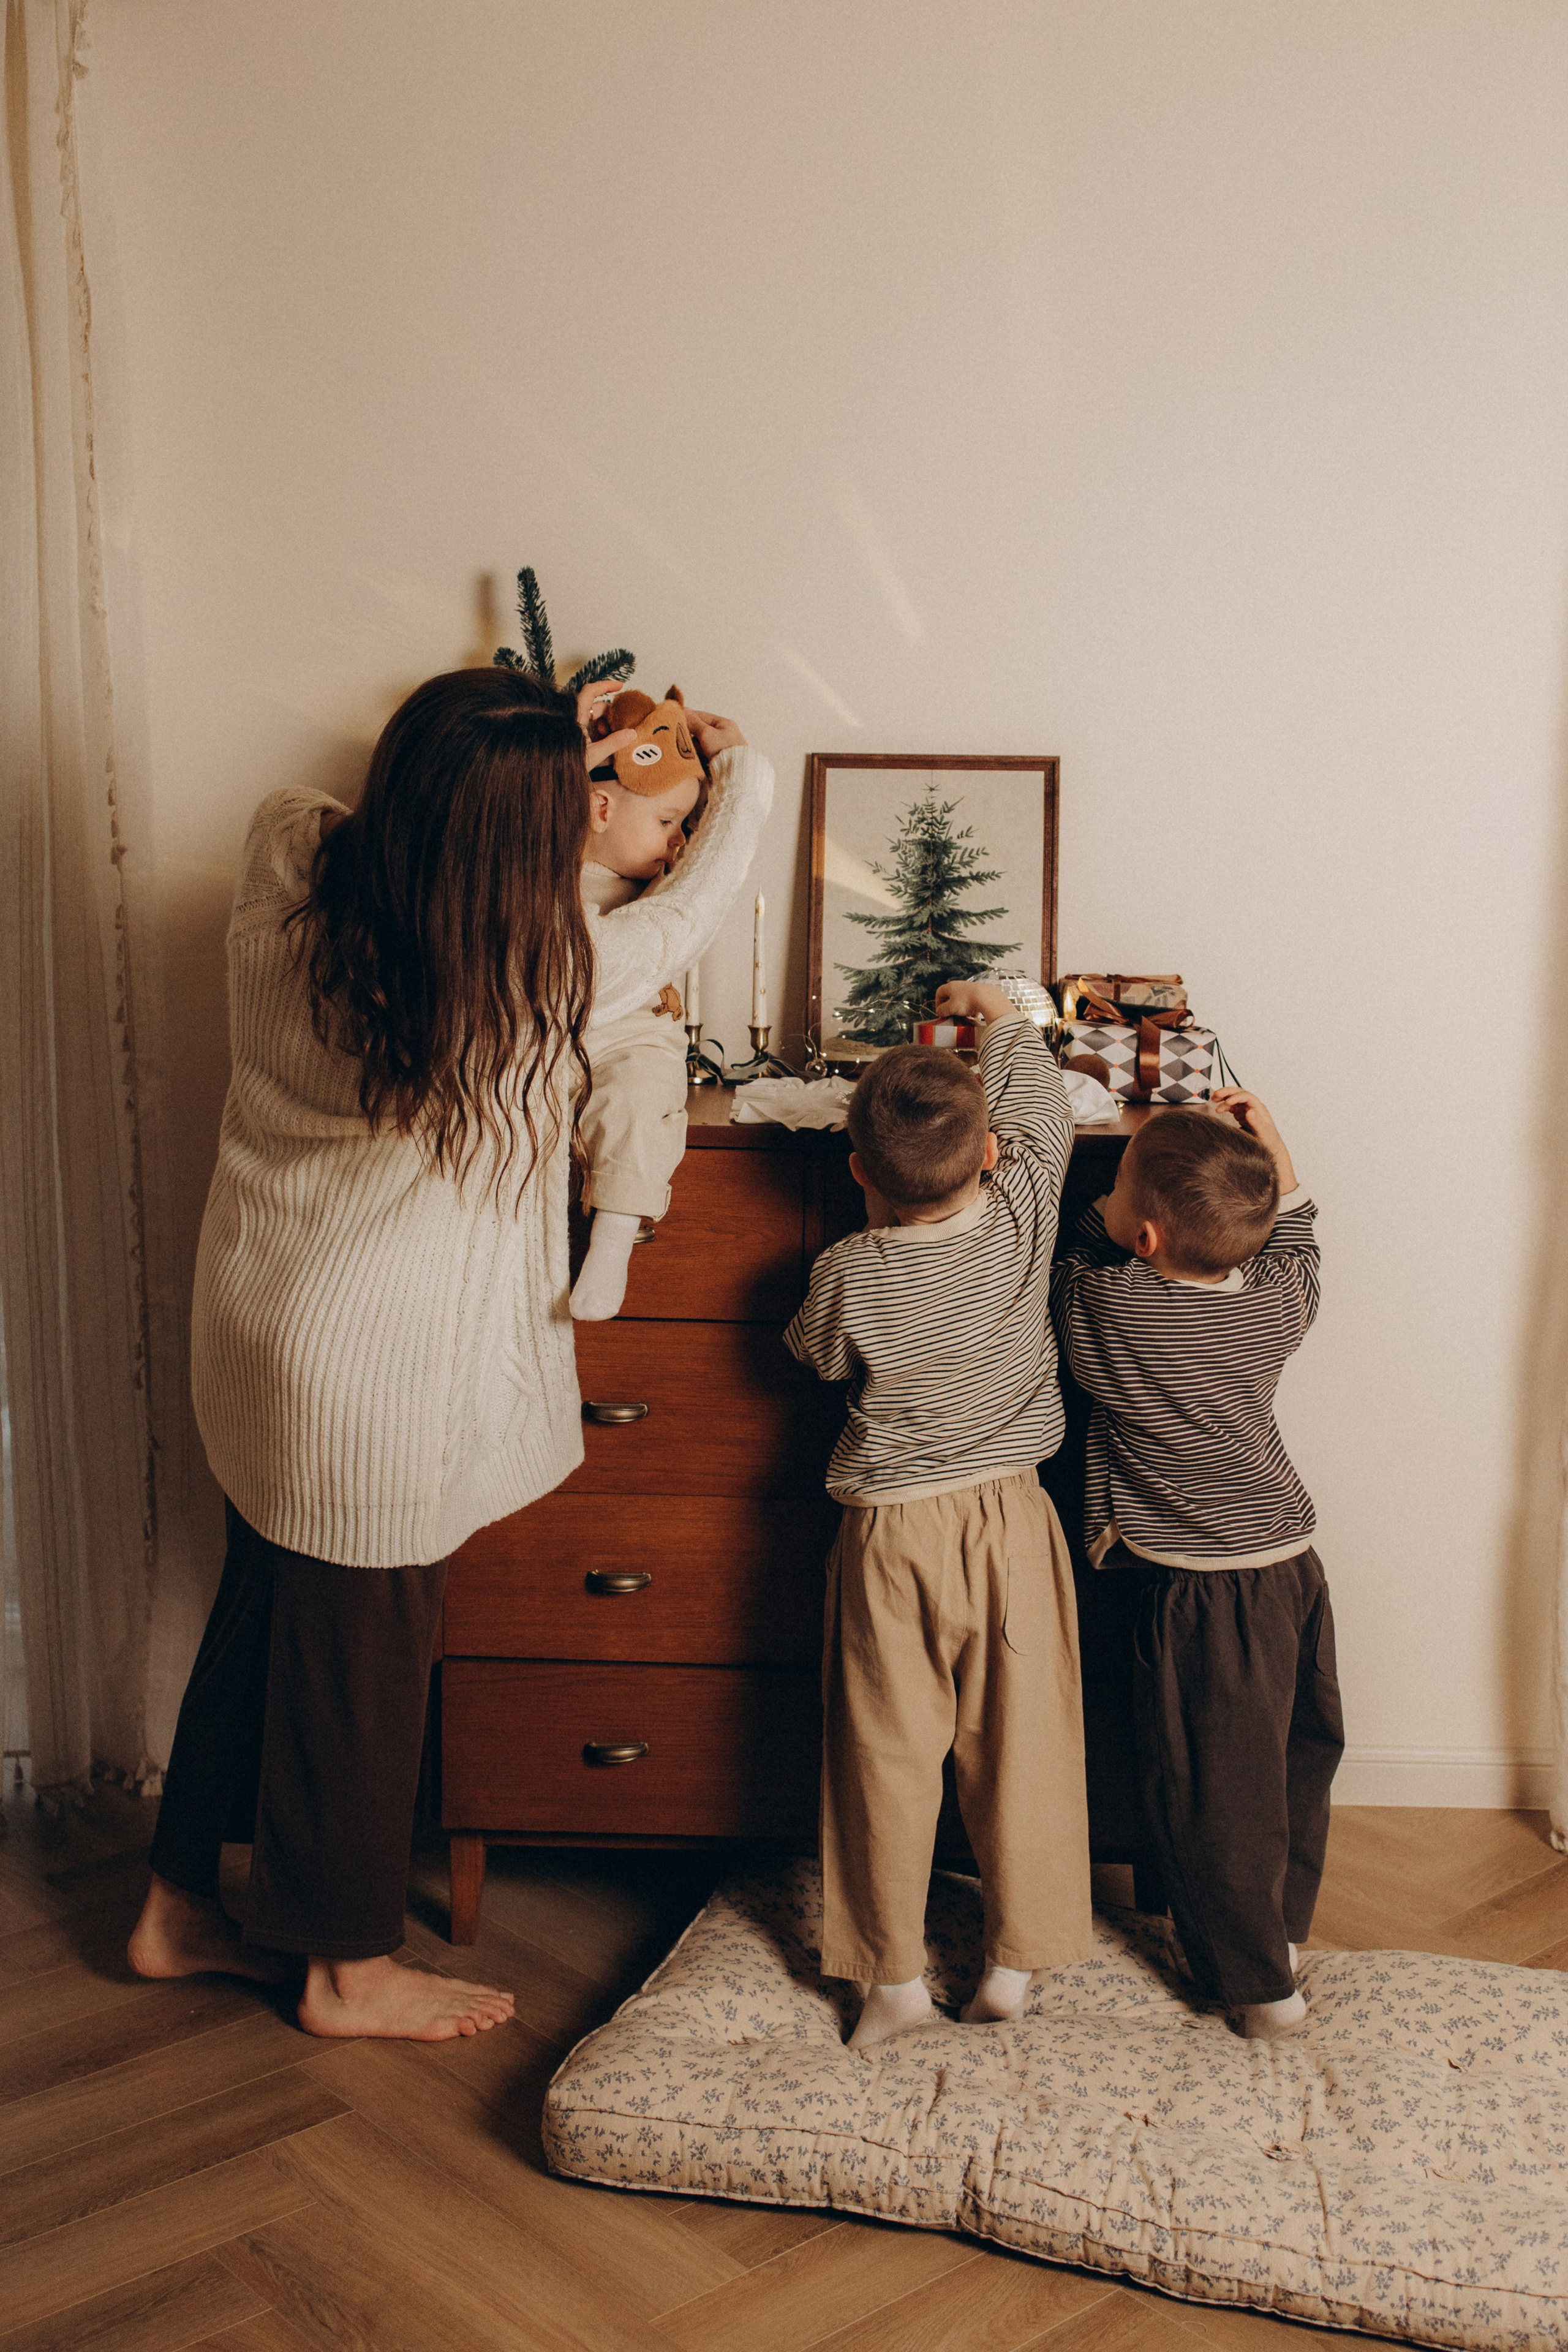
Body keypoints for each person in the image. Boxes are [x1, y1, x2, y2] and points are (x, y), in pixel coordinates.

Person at [128, 665, 772, 2039]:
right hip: (377, 1371)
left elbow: (383, 802)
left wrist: (542, 729)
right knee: (363, 1659)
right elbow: (690, 912)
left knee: (266, 1612)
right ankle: (342, 1970)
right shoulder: (531, 974)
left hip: (257, 1327)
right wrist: (742, 772)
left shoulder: (284, 869)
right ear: (526, 843)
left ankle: (177, 1904)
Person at [785, 980, 1092, 2051]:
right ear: (993, 1155)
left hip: (889, 1539)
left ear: (859, 1169)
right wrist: (1004, 1018)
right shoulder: (1024, 1213)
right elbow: (1041, 1110)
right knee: (1025, 1746)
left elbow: (817, 1358)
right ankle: (1016, 1962)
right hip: (1011, 1523)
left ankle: (893, 1985)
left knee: (885, 1753)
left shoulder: (846, 1271)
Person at [1050, 1090, 1342, 2038]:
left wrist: (1108, 1195)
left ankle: (1258, 1988)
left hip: (1199, 1588)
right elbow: (1300, 1244)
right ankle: (1280, 1930)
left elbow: (1076, 1252)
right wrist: (1277, 1156)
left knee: (1213, 1787)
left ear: (1142, 1236)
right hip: (1292, 1563)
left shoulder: (1113, 1309)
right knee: (1296, 1754)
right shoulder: (1276, 1308)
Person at [570, 702, 705, 1321]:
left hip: (632, 1035)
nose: (678, 842)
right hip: (557, 1030)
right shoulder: (545, 868)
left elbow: (716, 865)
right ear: (601, 810)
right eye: (667, 820)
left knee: (641, 1096)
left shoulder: (661, 888)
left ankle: (615, 1234)